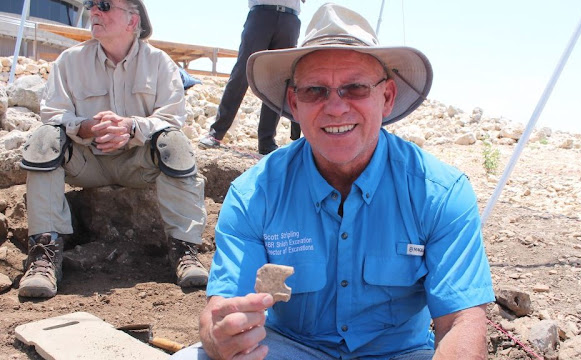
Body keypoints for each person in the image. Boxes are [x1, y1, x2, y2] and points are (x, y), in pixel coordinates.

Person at [174, 3, 495, 359]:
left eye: (355, 88)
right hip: (290, 349)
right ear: (294, 104)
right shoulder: (254, 194)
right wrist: (220, 334)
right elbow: (224, 306)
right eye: (315, 91)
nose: (336, 107)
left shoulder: (439, 193)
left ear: (386, 97)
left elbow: (463, 322)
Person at [17, 0, 209, 298]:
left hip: (138, 163)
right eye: (91, 4)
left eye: (104, 5)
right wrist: (85, 127)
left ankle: (185, 251)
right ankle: (44, 256)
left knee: (176, 143)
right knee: (43, 140)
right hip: (87, 162)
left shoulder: (160, 63)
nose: (94, 10)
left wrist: (131, 127)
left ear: (133, 21)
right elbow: (53, 114)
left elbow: (172, 118)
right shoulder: (69, 61)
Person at [198, 0, 305, 155]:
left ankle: (267, 143)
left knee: (277, 80)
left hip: (290, 18)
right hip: (261, 14)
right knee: (242, 72)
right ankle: (216, 133)